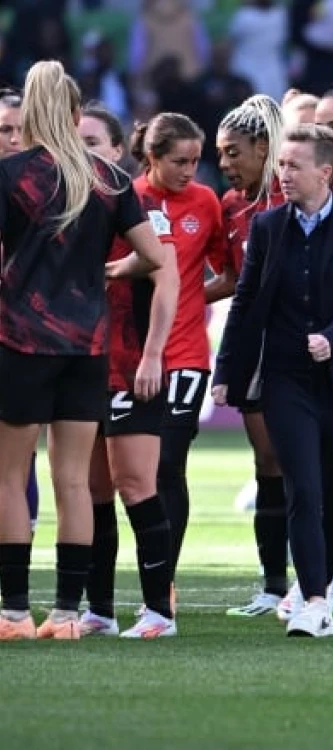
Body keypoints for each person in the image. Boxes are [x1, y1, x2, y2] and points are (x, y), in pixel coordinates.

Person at [0, 60, 165, 641]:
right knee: (74, 481)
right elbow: (155, 257)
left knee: (8, 477)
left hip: (19, 341)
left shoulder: (10, 173)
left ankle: (14, 611)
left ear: (31, 111)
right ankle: (68, 613)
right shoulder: (111, 178)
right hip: (87, 345)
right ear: (73, 112)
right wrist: (112, 269)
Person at [212, 124, 333, 637]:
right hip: (286, 379)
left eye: (294, 166)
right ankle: (311, 601)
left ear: (325, 173)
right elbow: (244, 303)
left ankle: (328, 584)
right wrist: (228, 372)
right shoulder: (266, 228)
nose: (283, 174)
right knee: (302, 488)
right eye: (281, 164)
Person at [76, 104, 181, 639]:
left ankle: (159, 611)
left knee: (136, 484)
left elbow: (168, 280)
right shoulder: (63, 205)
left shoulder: (140, 206)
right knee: (91, 492)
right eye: (78, 142)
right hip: (77, 364)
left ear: (118, 150)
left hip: (128, 362)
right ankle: (99, 610)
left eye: (95, 141)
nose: (86, 150)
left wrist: (153, 354)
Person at [130, 112, 225, 593]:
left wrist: (190, 297)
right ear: (152, 156)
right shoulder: (127, 199)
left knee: (169, 465)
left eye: (195, 160)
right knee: (131, 474)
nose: (190, 171)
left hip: (186, 353)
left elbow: (227, 272)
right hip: (128, 355)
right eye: (179, 161)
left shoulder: (206, 202)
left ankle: (163, 581)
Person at [209, 95, 289, 618]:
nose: (224, 164)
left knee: (315, 464)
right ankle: (275, 585)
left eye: (233, 152)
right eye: (219, 154)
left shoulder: (297, 193)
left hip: (310, 346)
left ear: (264, 148)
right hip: (257, 350)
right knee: (269, 464)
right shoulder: (231, 207)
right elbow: (234, 282)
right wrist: (173, 301)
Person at [0, 87, 41, 536]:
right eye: (3, 129)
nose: (12, 139)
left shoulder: (43, 195)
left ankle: (17, 567)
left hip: (19, 336)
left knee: (18, 453)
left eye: (19, 129)